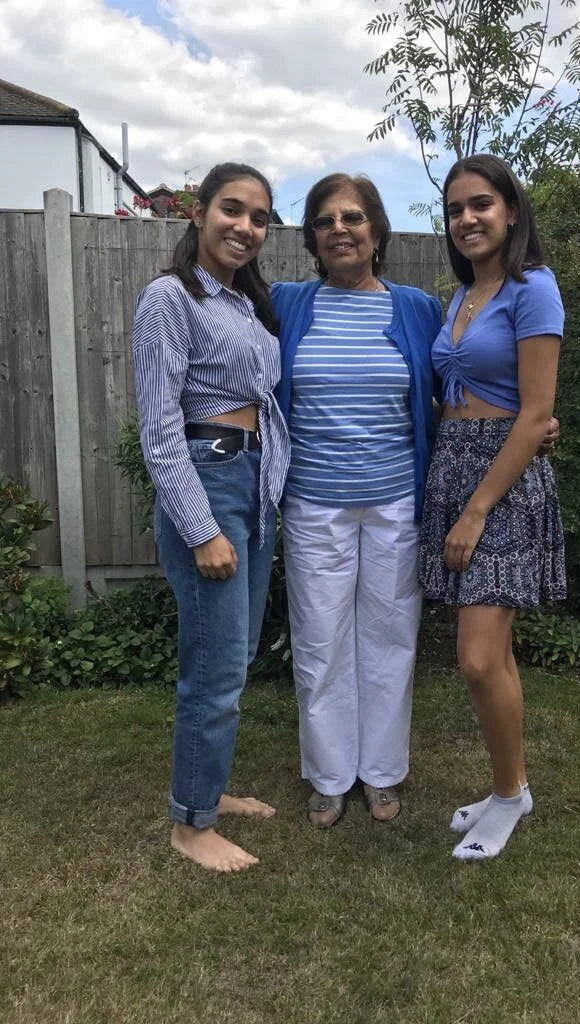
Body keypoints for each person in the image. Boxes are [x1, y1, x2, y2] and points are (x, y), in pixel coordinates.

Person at [133, 162, 291, 872]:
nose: (245, 227)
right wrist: (202, 529)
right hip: (210, 482)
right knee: (215, 667)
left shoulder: (246, 306)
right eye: (233, 209)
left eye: (259, 218)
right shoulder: (169, 298)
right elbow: (161, 430)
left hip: (253, 485)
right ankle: (190, 827)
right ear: (198, 213)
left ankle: (208, 789)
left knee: (236, 654)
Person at [271, 174, 442, 827]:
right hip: (313, 505)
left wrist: (529, 419)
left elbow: (460, 382)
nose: (339, 229)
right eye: (325, 220)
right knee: (321, 641)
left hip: (395, 504)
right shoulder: (287, 304)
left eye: (352, 217)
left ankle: (382, 772)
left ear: (376, 230)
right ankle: (329, 774)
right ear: (312, 237)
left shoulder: (416, 308)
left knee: (390, 638)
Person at [418, 154, 567, 861]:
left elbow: (536, 414)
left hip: (499, 486)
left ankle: (508, 796)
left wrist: (476, 509)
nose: (467, 218)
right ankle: (513, 787)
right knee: (493, 653)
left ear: (510, 210)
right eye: (455, 210)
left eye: (480, 204)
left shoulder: (533, 288)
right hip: (453, 469)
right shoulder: (460, 297)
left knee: (477, 659)